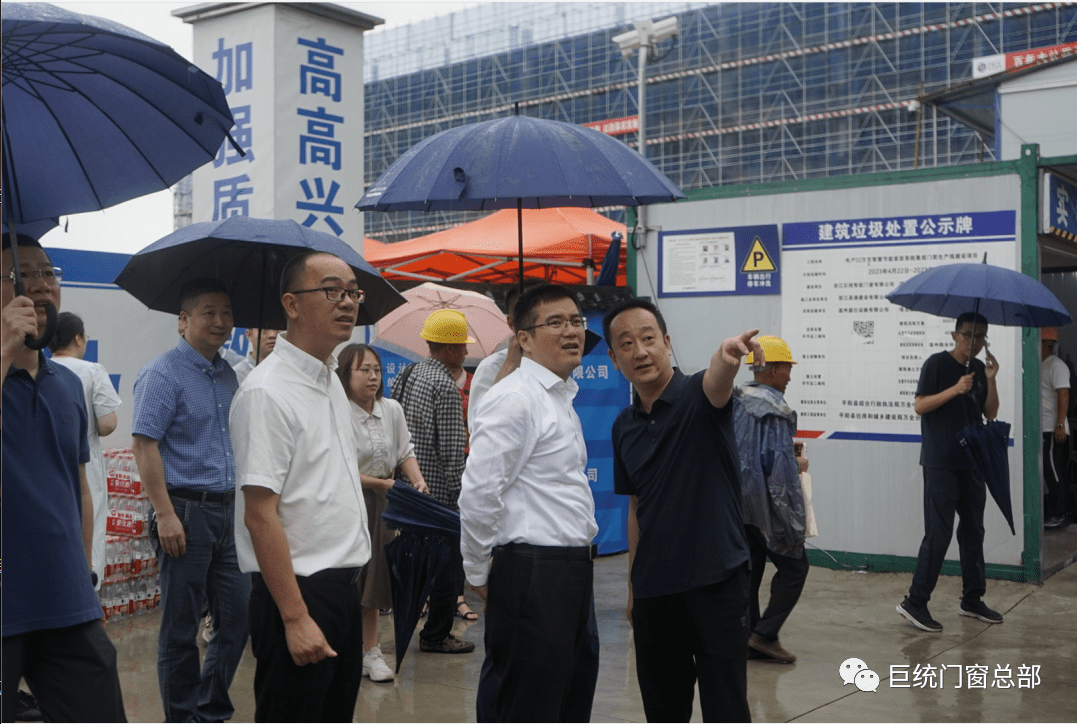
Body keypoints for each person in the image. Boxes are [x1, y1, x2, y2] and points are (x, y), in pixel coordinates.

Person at [231, 251, 372, 721]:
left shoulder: (329, 378)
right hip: (298, 594)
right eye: (332, 290)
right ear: (291, 304)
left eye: (353, 291)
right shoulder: (267, 392)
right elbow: (259, 514)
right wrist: (295, 618)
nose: (347, 302)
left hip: (342, 591)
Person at [605, 297, 758, 723]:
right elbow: (636, 506)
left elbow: (718, 381)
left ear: (667, 343)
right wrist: (634, 587)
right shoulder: (623, 427)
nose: (640, 351)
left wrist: (727, 357)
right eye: (627, 344)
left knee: (725, 708)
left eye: (649, 338)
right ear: (615, 360)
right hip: (655, 592)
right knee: (663, 711)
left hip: (716, 582)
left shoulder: (698, 396)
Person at [460, 283, 600, 722]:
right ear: (523, 338)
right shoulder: (515, 398)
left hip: (570, 570)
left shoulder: (558, 396)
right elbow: (480, 493)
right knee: (529, 704)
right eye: (555, 323)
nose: (571, 331)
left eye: (576, 321)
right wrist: (479, 570)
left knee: (569, 696)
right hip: (533, 572)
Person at [2, 232, 127, 722]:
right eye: (20, 273)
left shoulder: (68, 387)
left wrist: (83, 571)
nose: (39, 285)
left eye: (46, 272)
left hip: (64, 598)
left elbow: (78, 487)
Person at [132, 277, 250, 723]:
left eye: (226, 312)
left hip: (228, 511)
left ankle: (210, 710)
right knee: (180, 629)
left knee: (238, 619)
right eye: (208, 312)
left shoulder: (228, 374)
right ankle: (182, 717)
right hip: (184, 511)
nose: (220, 321)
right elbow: (144, 445)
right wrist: (165, 515)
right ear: (183, 321)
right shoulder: (163, 373)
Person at [897, 312, 1002, 632]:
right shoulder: (937, 364)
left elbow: (990, 412)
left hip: (972, 461)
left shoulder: (981, 372)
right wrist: (956, 389)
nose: (974, 341)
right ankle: (914, 602)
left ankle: (972, 599)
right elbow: (920, 406)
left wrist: (992, 378)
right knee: (939, 533)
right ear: (955, 335)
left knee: (973, 531)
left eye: (981, 336)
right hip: (940, 460)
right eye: (969, 335)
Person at [336, 343, 430, 683]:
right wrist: (378, 483)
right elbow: (338, 466)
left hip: (383, 503)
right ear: (345, 373)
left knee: (376, 578)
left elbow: (405, 451)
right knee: (346, 577)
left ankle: (371, 651)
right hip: (347, 500)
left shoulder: (391, 409)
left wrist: (417, 481)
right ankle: (344, 647)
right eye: (364, 370)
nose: (373, 377)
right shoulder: (337, 411)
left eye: (376, 370)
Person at [391, 309, 476, 654]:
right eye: (463, 347)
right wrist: (460, 498)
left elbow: (391, 422)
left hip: (405, 491)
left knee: (410, 564)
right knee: (448, 568)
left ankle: (404, 626)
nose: (467, 353)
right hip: (440, 497)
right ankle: (436, 634)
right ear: (452, 349)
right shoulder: (445, 385)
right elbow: (454, 450)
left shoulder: (408, 373)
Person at [733, 335, 809, 664]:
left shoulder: (734, 400)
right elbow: (779, 476)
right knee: (796, 568)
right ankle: (764, 635)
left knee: (750, 570)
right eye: (787, 369)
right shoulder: (774, 410)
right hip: (765, 507)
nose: (790, 376)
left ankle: (748, 635)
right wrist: (792, 521)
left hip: (738, 506)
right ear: (772, 369)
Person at [49, 311, 123, 590]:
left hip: (50, 468)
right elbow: (107, 424)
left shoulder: (41, 370)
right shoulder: (91, 370)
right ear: (78, 338)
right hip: (86, 468)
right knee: (88, 534)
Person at [469, 279, 543, 421]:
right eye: (533, 315)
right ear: (511, 322)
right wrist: (509, 366)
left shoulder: (556, 363)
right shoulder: (492, 367)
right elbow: (479, 426)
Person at [1040, 326, 1070, 529]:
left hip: (1053, 428)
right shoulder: (1041, 365)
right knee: (1047, 471)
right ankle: (1052, 512)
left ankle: (1061, 514)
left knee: (1053, 471)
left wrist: (1060, 424)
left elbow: (1063, 394)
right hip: (1043, 429)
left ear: (1045, 344)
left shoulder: (1056, 365)